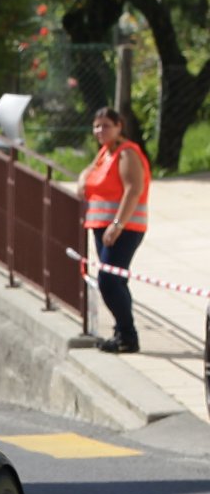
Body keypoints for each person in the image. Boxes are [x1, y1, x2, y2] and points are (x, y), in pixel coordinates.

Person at [77, 106, 150, 354]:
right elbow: (88, 174)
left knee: (108, 281)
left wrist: (117, 225)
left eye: (106, 125)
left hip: (124, 229)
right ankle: (122, 333)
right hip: (102, 227)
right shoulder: (104, 153)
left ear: (119, 126)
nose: (100, 130)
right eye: (96, 126)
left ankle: (128, 335)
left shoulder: (126, 153)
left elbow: (133, 189)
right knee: (116, 281)